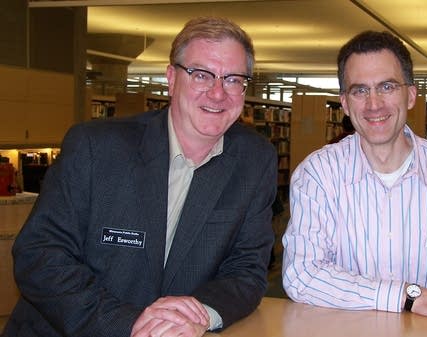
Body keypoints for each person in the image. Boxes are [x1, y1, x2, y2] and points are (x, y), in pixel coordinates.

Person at [3, 17, 277, 337]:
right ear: (172, 79)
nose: (217, 93)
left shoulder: (255, 160)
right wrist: (129, 322)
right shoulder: (96, 147)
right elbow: (39, 255)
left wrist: (200, 313)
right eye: (201, 75)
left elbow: (247, 269)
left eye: (232, 79)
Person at [282, 30, 427, 325]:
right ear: (345, 103)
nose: (374, 104)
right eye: (360, 90)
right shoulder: (317, 175)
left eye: (386, 86)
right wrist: (408, 296)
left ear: (410, 95)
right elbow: (302, 276)